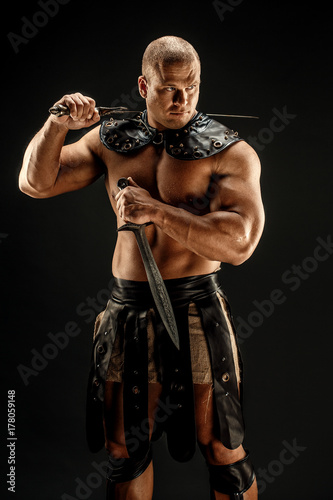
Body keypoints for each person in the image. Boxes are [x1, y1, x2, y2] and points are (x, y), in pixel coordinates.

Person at [19, 36, 264, 500]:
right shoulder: (111, 140)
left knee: (223, 448)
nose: (182, 99)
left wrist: (158, 211)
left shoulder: (230, 153)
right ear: (142, 85)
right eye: (168, 88)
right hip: (127, 310)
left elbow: (240, 243)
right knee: (124, 450)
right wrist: (57, 125)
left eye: (191, 87)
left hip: (197, 310)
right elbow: (35, 182)